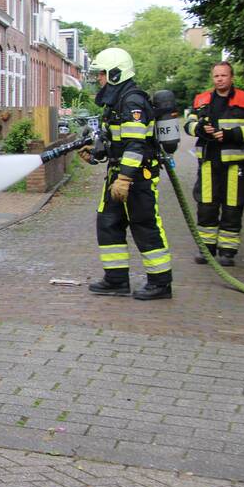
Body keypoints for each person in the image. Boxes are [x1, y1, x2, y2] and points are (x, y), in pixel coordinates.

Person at [79, 48, 173, 300]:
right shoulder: (116, 101)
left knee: (144, 225)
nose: (99, 78)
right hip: (118, 174)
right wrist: (96, 153)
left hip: (136, 177)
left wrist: (125, 179)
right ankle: (116, 279)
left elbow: (135, 145)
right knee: (108, 223)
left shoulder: (132, 102)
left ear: (115, 73)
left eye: (102, 73)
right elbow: (116, 141)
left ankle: (161, 283)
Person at [183, 61, 244, 266]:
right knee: (206, 207)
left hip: (235, 164)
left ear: (231, 77)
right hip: (208, 163)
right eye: (216, 76)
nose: (220, 79)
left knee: (232, 207)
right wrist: (200, 129)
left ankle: (227, 252)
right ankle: (206, 249)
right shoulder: (202, 100)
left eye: (224, 75)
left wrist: (231, 134)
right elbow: (188, 124)